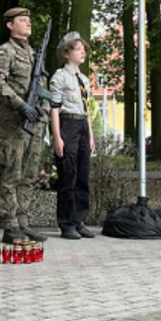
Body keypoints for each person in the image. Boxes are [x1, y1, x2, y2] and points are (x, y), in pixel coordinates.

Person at [0, 7, 49, 244]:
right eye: (22, 20)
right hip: (13, 124)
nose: (28, 23)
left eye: (28, 20)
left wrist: (41, 112)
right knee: (11, 174)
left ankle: (23, 222)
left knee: (29, 175)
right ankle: (10, 225)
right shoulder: (6, 52)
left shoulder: (34, 54)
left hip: (34, 124)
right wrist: (19, 104)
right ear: (10, 26)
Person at [49, 32, 96, 239]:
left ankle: (79, 220)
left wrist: (91, 136)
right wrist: (57, 137)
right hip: (67, 123)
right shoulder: (60, 77)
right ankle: (66, 223)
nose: (83, 52)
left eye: (84, 49)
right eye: (78, 49)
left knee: (83, 175)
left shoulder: (84, 79)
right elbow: (54, 109)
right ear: (67, 54)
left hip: (82, 125)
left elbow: (86, 110)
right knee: (68, 174)